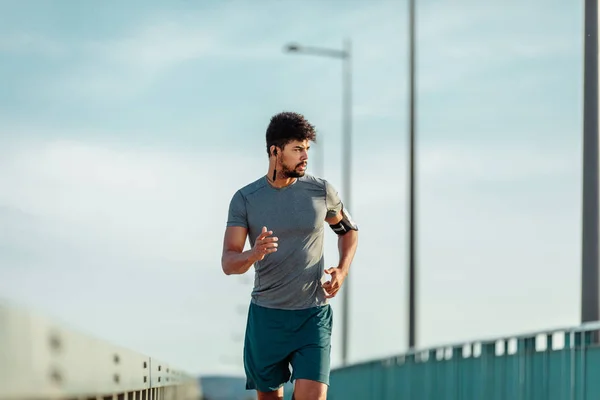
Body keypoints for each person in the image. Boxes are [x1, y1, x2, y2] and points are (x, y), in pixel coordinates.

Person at [221, 111, 359, 400]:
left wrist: (342, 271)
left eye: (307, 149)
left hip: (313, 314)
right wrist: (253, 254)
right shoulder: (246, 199)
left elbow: (348, 231)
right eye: (297, 149)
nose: (305, 156)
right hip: (267, 317)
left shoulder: (321, 191)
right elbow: (228, 262)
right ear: (275, 151)